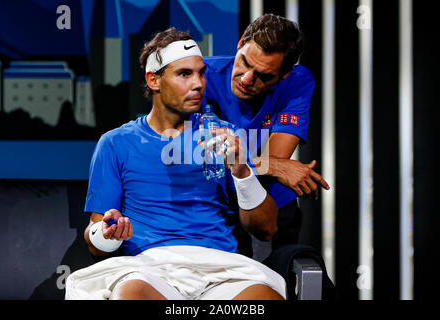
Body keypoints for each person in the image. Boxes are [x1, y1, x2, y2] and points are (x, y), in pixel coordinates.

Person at [65, 28, 286, 300]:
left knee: (264, 300)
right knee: (131, 294)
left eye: (201, 73)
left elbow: (266, 230)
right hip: (149, 270)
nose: (198, 84)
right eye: (184, 74)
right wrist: (109, 233)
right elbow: (96, 246)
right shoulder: (115, 143)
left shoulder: (227, 136)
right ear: (154, 80)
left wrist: (243, 173)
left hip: (221, 271)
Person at [203, 13, 329, 248]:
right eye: (245, 62)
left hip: (273, 205)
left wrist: (271, 164)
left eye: (264, 75)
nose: (247, 79)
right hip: (214, 210)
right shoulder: (200, 75)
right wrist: (275, 167)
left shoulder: (297, 82)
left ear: (284, 75)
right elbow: (194, 157)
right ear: (240, 43)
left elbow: (276, 156)